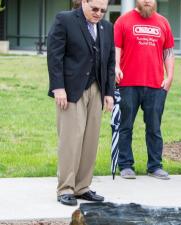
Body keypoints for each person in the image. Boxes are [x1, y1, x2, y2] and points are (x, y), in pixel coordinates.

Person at [47, 0, 115, 206]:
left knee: (90, 140)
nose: (98, 14)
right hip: (70, 90)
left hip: (97, 89)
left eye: (103, 10)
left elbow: (110, 60)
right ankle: (65, 188)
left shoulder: (107, 27)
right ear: (84, 2)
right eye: (94, 9)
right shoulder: (65, 19)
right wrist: (58, 87)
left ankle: (82, 187)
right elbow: (54, 55)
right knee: (71, 139)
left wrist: (109, 92)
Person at [114, 0, 175, 180]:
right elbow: (116, 48)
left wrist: (169, 76)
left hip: (156, 85)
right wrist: (116, 66)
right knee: (125, 126)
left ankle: (155, 166)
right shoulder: (123, 21)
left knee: (154, 128)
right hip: (127, 84)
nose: (147, 0)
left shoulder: (163, 22)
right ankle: (125, 165)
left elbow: (168, 51)